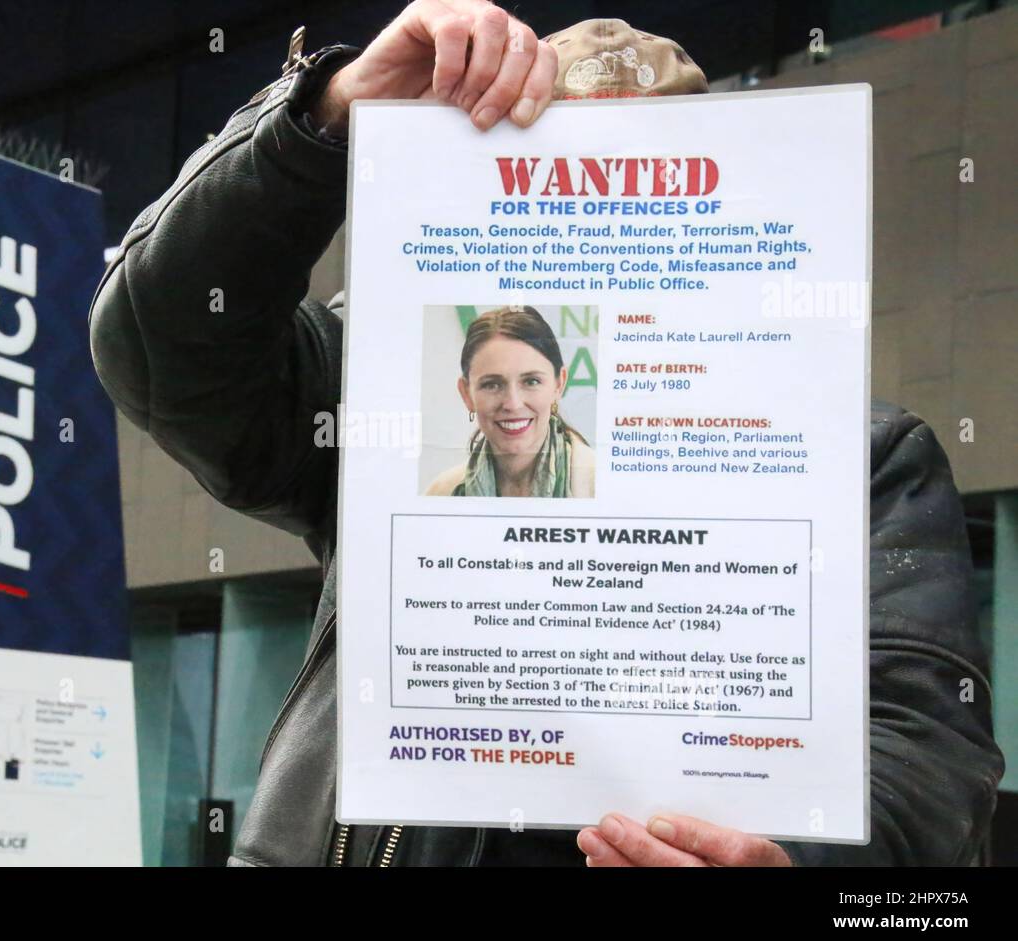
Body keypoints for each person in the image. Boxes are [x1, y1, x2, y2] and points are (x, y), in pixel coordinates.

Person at [88, 2, 1005, 866]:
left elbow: (928, 752)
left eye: (637, 182)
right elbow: (159, 342)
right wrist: (321, 123)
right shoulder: (379, 403)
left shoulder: (857, 459)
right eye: (539, 180)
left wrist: (791, 860)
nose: (589, 221)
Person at [424, 305, 596, 498]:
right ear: (466, 394)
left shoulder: (600, 484)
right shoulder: (441, 493)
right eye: (492, 385)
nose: (513, 404)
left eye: (531, 381)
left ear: (559, 384)